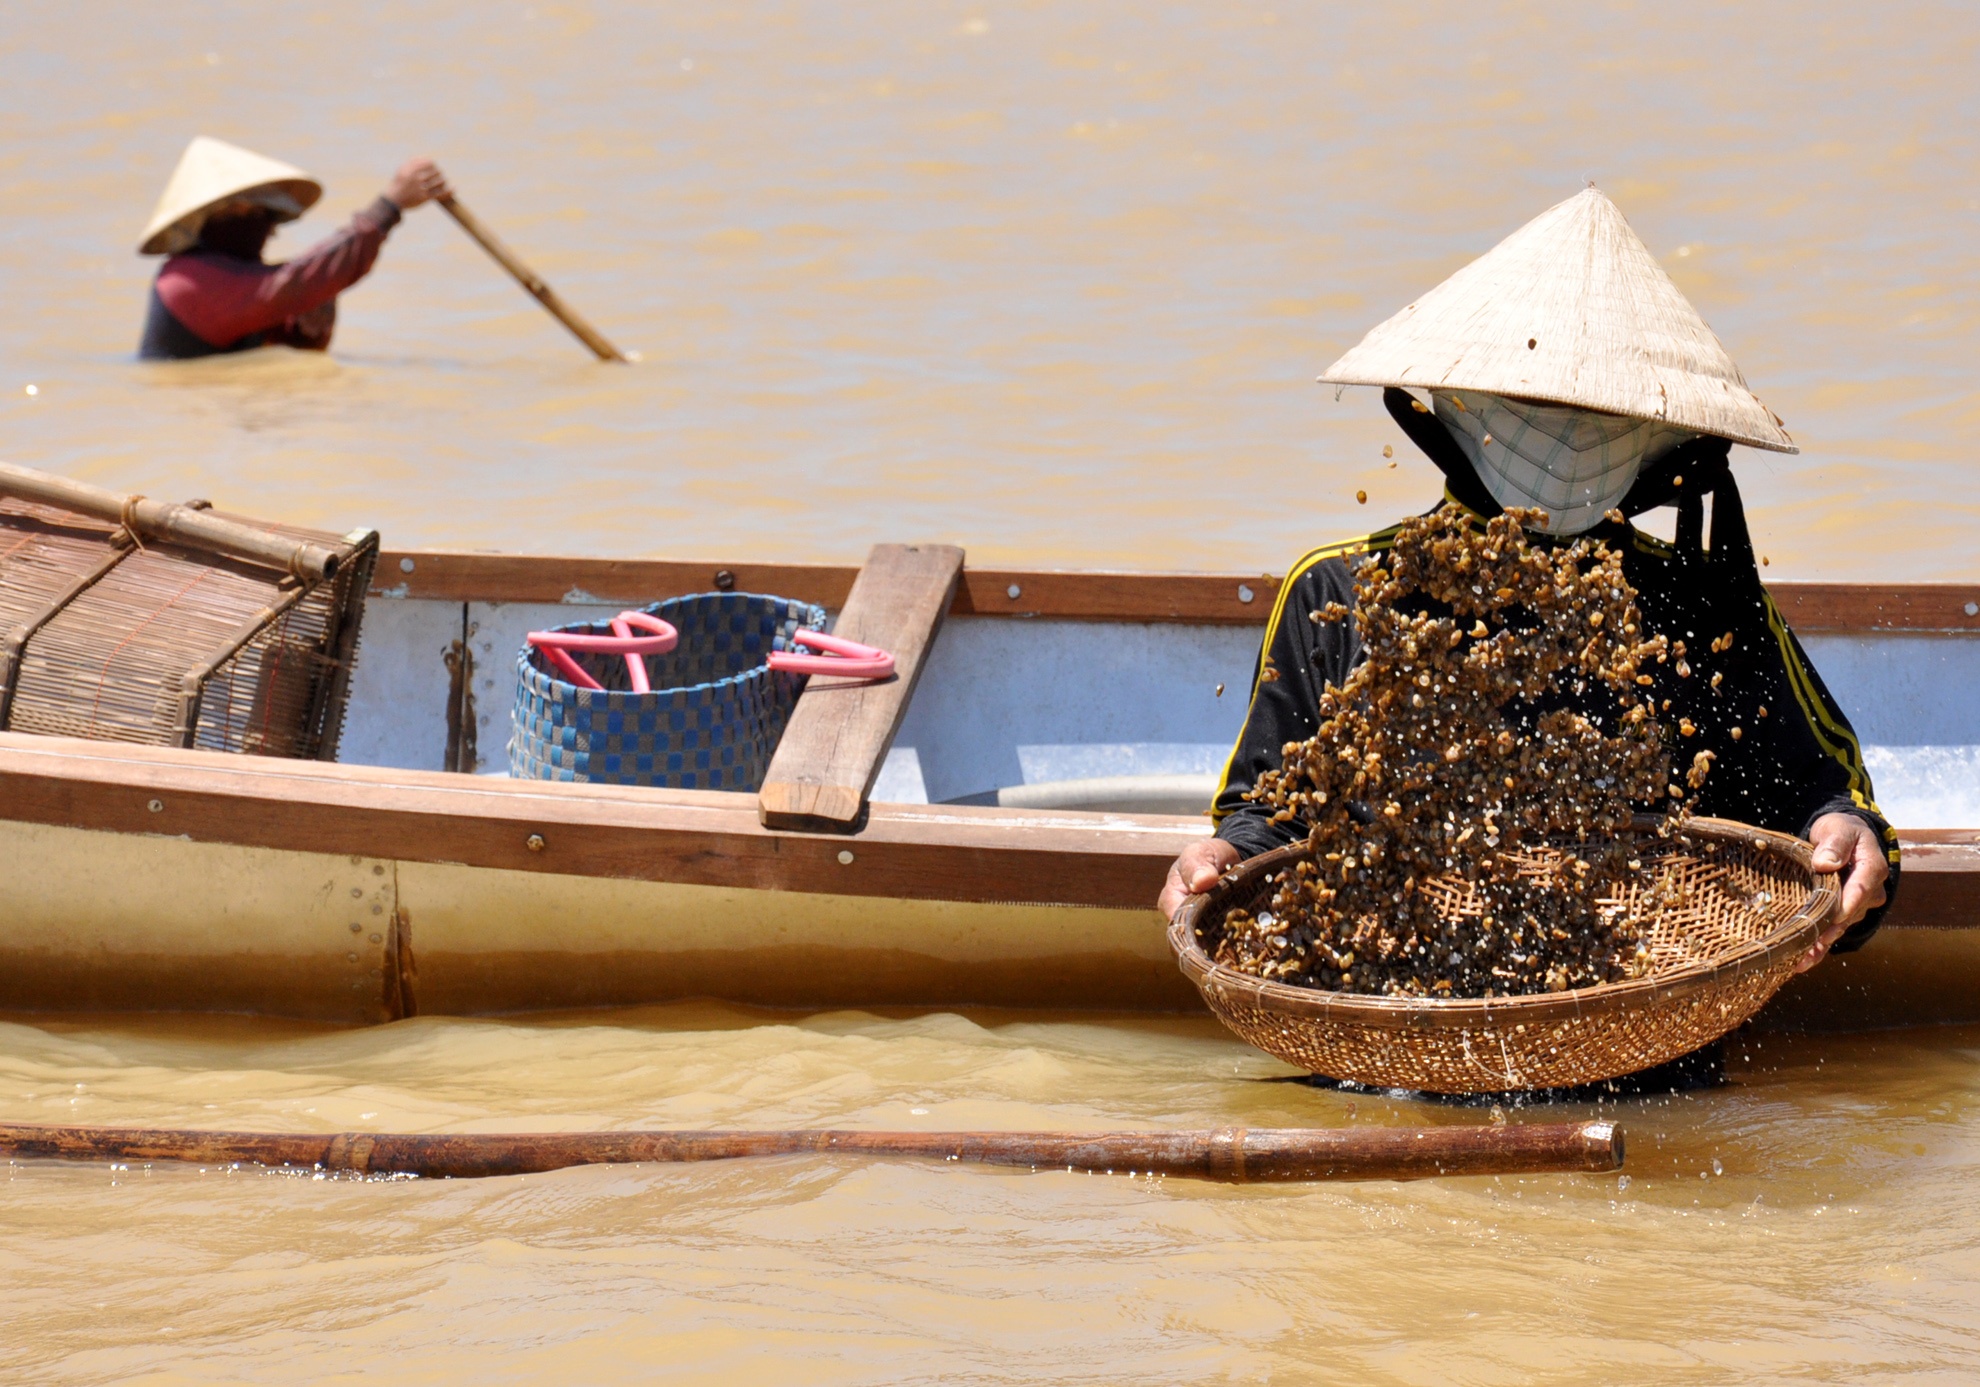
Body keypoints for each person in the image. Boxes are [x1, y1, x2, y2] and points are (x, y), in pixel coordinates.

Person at [1159, 188, 1897, 977]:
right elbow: (1269, 822)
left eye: (1589, 408)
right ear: (1453, 402)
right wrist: (1216, 859)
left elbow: (1828, 806)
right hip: (1402, 1024)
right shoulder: (1340, 594)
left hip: (1649, 1045)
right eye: (1534, 398)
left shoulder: (1700, 604)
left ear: (1653, 433)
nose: (1565, 432)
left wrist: (1850, 841)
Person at [136, 135, 450, 360]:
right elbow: (298, 282)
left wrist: (311, 318)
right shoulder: (187, 281)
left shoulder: (234, 280)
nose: (271, 233)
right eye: (267, 216)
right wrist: (390, 205)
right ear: (233, 212)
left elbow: (296, 320)